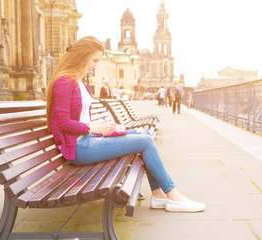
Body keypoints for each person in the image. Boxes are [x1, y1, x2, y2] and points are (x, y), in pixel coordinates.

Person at [46, 36, 205, 213]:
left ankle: (159, 195)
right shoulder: (64, 81)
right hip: (79, 148)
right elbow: (62, 123)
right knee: (144, 142)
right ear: (83, 55)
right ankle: (174, 196)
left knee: (143, 132)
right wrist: (94, 128)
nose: (95, 65)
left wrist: (100, 126)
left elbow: (79, 117)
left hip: (88, 140)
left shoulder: (78, 81)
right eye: (95, 60)